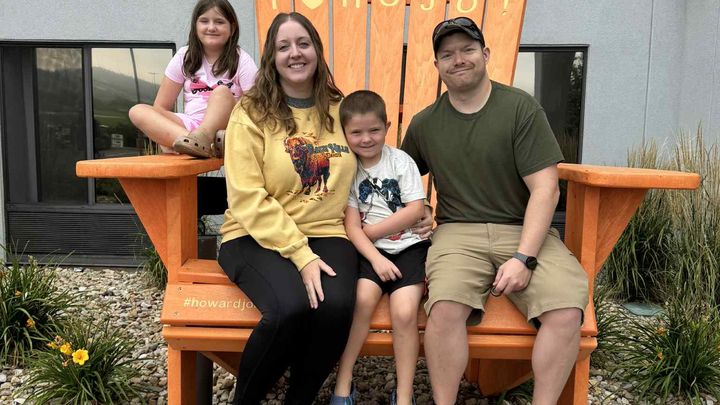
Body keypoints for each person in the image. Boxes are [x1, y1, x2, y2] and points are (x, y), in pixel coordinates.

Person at [400, 17, 589, 405]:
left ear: (485, 54)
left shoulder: (520, 109)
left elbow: (546, 189)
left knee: (567, 310)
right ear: (436, 65)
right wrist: (419, 209)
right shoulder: (425, 124)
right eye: (447, 55)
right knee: (444, 307)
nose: (458, 60)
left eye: (467, 50)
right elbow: (397, 179)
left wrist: (524, 257)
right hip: (457, 232)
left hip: (523, 228)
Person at [217, 12, 359, 405]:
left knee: (336, 309)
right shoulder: (251, 112)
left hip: (327, 230)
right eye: (284, 47)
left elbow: (373, 159)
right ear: (271, 57)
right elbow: (246, 197)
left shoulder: (340, 108)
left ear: (317, 50)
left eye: (303, 43)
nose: (295, 53)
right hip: (252, 234)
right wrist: (301, 254)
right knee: (289, 309)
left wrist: (409, 207)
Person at [331, 91, 429, 405]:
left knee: (404, 312)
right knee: (361, 301)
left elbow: (415, 210)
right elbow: (351, 226)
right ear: (344, 133)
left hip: (410, 247)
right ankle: (343, 382)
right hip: (370, 253)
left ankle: (404, 395)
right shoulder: (348, 169)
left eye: (374, 130)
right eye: (356, 132)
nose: (366, 139)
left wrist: (370, 232)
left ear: (386, 127)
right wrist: (375, 257)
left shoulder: (400, 161)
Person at [128, 0, 257, 158]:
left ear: (232, 27)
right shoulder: (184, 56)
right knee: (137, 111)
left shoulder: (242, 60)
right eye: (204, 21)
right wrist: (164, 135)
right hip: (190, 124)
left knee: (221, 92)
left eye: (219, 22)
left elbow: (254, 108)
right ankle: (195, 143)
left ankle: (201, 141)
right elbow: (160, 107)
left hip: (224, 129)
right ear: (195, 25)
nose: (211, 27)